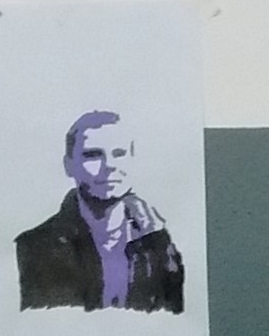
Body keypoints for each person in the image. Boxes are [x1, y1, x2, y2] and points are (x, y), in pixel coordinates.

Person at [15, 110, 184, 313]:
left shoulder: (159, 244)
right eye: (93, 155)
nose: (109, 165)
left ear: (133, 160)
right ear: (69, 166)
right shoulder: (34, 248)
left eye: (119, 153)